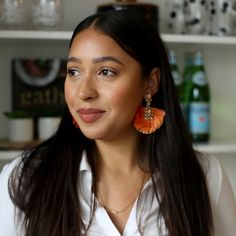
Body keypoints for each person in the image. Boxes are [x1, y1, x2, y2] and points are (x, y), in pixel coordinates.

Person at [0, 10, 236, 236]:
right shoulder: (24, 179)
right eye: (74, 72)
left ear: (150, 83)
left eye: (106, 72)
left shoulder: (204, 175)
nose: (84, 92)